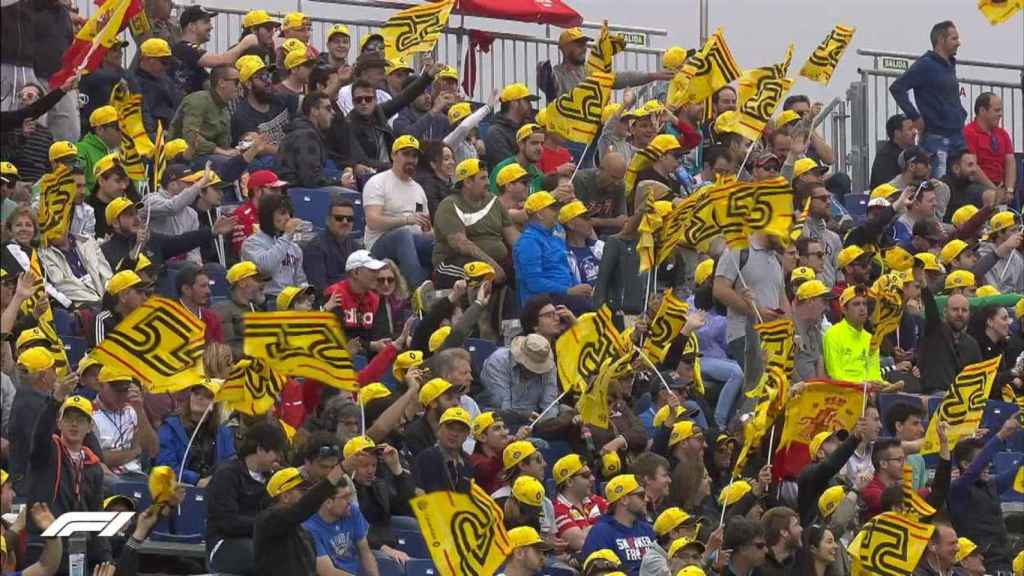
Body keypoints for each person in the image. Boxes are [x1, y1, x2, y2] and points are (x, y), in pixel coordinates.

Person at [206, 421, 287, 575]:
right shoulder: (227, 474)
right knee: (267, 557)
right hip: (224, 543)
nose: (278, 458)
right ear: (260, 449)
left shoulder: (272, 478)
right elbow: (227, 522)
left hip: (259, 541)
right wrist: (267, 524)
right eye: (276, 452)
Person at [889, 20, 967, 179]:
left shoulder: (949, 64)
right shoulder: (925, 65)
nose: (958, 43)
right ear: (940, 40)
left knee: (960, 186)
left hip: (956, 136)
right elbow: (897, 87)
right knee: (939, 188)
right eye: (954, 38)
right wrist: (915, 117)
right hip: (937, 138)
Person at [948, 414, 1019, 573]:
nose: (988, 465)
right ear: (965, 465)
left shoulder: (991, 484)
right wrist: (1000, 436)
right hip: (976, 566)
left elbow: (1016, 473)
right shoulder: (958, 490)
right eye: (983, 462)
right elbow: (976, 468)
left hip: (1004, 563)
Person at [432, 158, 519, 288]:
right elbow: (462, 244)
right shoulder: (450, 205)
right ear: (467, 182)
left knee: (525, 270)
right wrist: (492, 265)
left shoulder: (494, 201)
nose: (489, 183)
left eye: (487, 177)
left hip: (494, 261)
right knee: (481, 273)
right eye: (483, 178)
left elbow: (513, 237)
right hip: (453, 263)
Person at [253, 461, 349, 576]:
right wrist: (341, 469)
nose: (308, 496)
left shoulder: (303, 532)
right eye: (303, 492)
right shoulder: (268, 519)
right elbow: (302, 508)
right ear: (285, 496)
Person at [363, 135, 434, 287]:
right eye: (406, 154)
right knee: (403, 234)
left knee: (437, 244)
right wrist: (407, 220)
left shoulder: (418, 189)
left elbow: (424, 228)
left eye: (414, 156)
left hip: (413, 242)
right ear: (393, 155)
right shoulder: (378, 182)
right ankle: (417, 290)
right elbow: (373, 221)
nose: (411, 159)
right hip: (379, 244)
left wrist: (441, 235)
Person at [342, 435, 416, 567]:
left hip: (387, 540)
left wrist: (397, 469)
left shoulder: (379, 484)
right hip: (363, 547)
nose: (371, 471)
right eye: (364, 466)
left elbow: (406, 507)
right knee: (393, 563)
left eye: (374, 465)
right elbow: (355, 528)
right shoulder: (344, 492)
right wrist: (385, 549)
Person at [513, 191, 593, 308]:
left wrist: (580, 290)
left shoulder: (555, 238)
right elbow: (534, 282)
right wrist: (568, 291)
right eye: (553, 209)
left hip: (564, 298)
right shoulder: (528, 242)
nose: (557, 212)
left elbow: (568, 271)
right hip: (543, 304)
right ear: (540, 214)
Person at [156, 378, 235, 488]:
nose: (200, 397)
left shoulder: (223, 432)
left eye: (207, 396)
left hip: (214, 490)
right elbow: (165, 464)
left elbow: (230, 463)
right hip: (178, 490)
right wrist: (196, 480)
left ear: (215, 403)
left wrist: (214, 479)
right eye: (196, 393)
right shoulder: (170, 426)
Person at [302, 472, 381, 576]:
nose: (350, 501)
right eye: (344, 497)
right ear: (328, 502)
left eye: (350, 496)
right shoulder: (309, 528)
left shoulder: (352, 511)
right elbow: (328, 572)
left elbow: (365, 552)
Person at [480, 333, 559, 431]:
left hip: (535, 422)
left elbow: (550, 404)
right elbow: (503, 407)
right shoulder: (498, 361)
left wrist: (546, 424)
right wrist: (523, 416)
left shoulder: (548, 366)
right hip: (499, 420)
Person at [171, 5, 257, 95]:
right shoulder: (184, 48)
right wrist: (245, 43)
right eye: (206, 22)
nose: (211, 27)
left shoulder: (191, 53)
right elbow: (222, 60)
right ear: (192, 26)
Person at [581, 474, 657, 573]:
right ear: (624, 500)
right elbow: (598, 571)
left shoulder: (646, 529)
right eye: (641, 495)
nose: (647, 499)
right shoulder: (601, 533)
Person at [92, 367, 158, 477]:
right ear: (101, 385)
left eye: (125, 389)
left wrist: (140, 410)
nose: (121, 394)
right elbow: (99, 457)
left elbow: (152, 450)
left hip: (136, 475)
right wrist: (134, 452)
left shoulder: (133, 410)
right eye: (117, 389)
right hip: (107, 478)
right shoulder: (89, 412)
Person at [170, 64, 241, 167]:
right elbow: (190, 136)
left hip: (209, 156)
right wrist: (221, 152)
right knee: (229, 164)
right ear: (221, 83)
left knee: (245, 162)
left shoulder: (223, 109)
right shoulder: (198, 101)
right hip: (184, 157)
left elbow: (224, 144)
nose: (239, 86)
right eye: (236, 82)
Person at [796, 421, 865, 525]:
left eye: (841, 441)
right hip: (816, 537)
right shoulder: (809, 473)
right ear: (820, 453)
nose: (840, 444)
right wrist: (854, 438)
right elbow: (829, 466)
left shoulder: (843, 480)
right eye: (833, 441)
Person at [241, 193, 307, 302]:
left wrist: (306, 293)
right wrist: (287, 236)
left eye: (289, 214)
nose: (288, 218)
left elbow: (300, 279)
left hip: (291, 301)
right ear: (268, 216)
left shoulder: (294, 247)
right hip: (266, 300)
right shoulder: (251, 243)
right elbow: (267, 268)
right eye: (282, 213)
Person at [277, 91, 349, 190]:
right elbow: (311, 179)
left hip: (299, 190)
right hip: (297, 193)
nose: (333, 112)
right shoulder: (306, 135)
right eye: (328, 108)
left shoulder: (304, 132)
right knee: (348, 195)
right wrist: (340, 182)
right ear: (314, 111)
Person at [917, 288, 981, 395]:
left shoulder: (972, 344)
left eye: (964, 310)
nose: (960, 314)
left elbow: (976, 378)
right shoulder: (935, 330)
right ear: (945, 312)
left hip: (962, 399)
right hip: (933, 396)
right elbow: (931, 309)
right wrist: (924, 286)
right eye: (955, 310)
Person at [303, 197, 362, 294]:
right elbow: (320, 288)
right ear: (328, 220)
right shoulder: (315, 247)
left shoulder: (357, 248)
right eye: (339, 218)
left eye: (349, 219)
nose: (345, 222)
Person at [823, 285, 881, 382]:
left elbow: (875, 373)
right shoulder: (833, 334)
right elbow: (835, 374)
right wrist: (861, 385)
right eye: (856, 304)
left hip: (868, 392)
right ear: (844, 310)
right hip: (845, 393)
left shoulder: (871, 339)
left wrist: (881, 385)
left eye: (864, 304)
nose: (862, 308)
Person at [412, 406, 475, 493]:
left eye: (461, 430)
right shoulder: (427, 457)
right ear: (439, 429)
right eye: (450, 428)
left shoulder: (468, 462)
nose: (454, 434)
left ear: (467, 435)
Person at [964, 92, 1016, 197]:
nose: (1000, 114)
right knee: (991, 196)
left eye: (1000, 110)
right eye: (996, 110)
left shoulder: (1002, 133)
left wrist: (1009, 190)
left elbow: (1010, 162)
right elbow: (973, 168)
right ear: (982, 111)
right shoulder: (969, 132)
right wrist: (995, 190)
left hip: (1001, 186)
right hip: (978, 185)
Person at [571, 151, 628, 236]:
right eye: (613, 177)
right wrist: (611, 222)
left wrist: (596, 222)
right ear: (601, 169)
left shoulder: (620, 185)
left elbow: (623, 220)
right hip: (577, 234)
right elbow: (577, 221)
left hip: (605, 235)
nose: (617, 182)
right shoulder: (581, 181)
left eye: (620, 178)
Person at [231, 169, 287, 254]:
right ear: (257, 191)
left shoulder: (280, 211)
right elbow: (245, 252)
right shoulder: (241, 215)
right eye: (274, 189)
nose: (279, 194)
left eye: (280, 190)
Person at [484, 83, 539, 168]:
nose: (530, 105)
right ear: (514, 103)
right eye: (527, 101)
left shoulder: (526, 129)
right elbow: (508, 167)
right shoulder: (496, 132)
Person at [136, 38, 183, 137]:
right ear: (149, 60)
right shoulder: (134, 85)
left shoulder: (166, 80)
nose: (167, 67)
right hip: (158, 138)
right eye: (164, 63)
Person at [800, 184, 842, 287]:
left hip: (829, 296)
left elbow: (839, 272)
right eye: (823, 199)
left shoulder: (834, 238)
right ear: (807, 201)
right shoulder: (798, 231)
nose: (828, 202)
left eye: (829, 198)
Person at [489, 122, 546, 195]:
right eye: (534, 143)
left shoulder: (538, 175)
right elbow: (492, 202)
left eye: (542, 144)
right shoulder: (503, 169)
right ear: (521, 144)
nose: (540, 148)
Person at [77, 106, 121, 190]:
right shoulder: (81, 150)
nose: (123, 131)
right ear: (100, 129)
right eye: (118, 127)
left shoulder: (121, 151)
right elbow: (77, 186)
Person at [870, 114, 919, 189]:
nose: (914, 132)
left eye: (914, 128)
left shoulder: (913, 152)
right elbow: (887, 188)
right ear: (897, 134)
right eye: (910, 129)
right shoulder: (886, 156)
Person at [758, 507, 802, 576]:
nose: (801, 529)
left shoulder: (798, 561)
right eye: (796, 525)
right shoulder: (758, 567)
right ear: (783, 532)